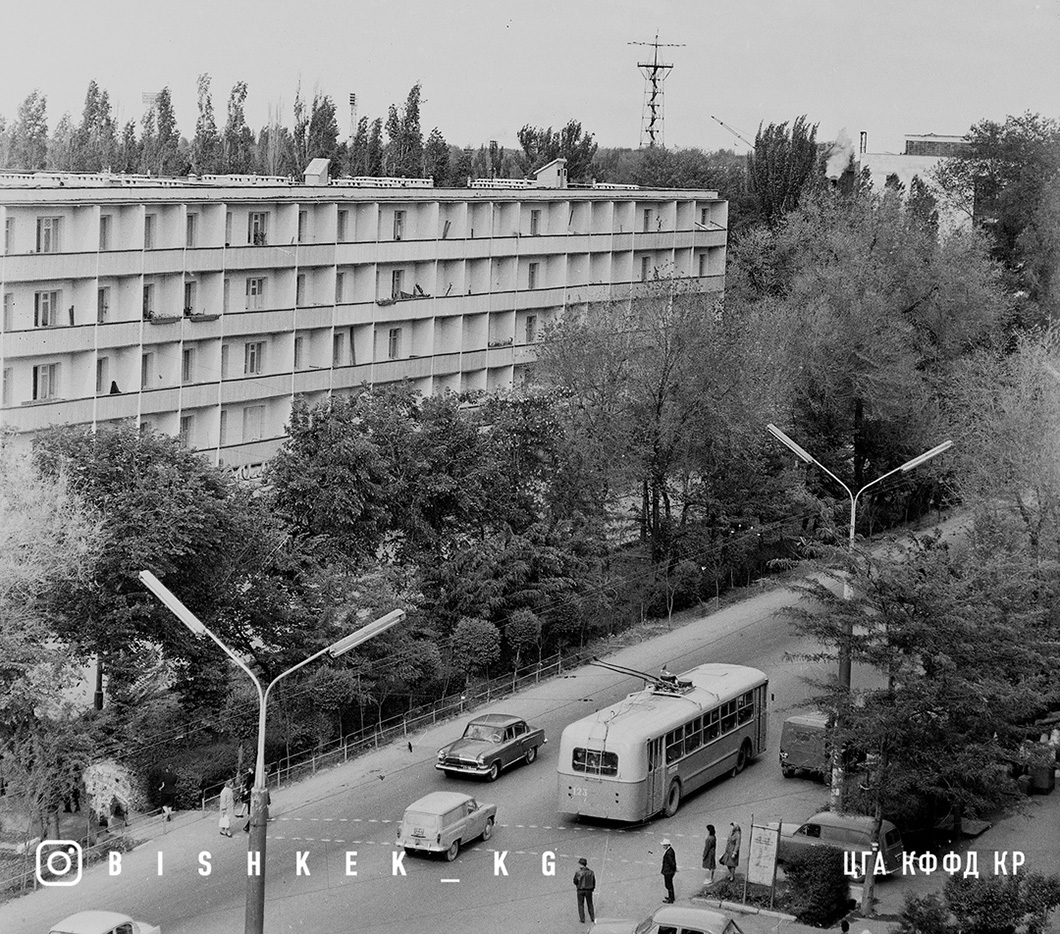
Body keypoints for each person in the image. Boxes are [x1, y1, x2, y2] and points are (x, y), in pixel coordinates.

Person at [573, 857, 596, 924]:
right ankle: (592, 917)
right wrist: (592, 888)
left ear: (581, 864)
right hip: (589, 890)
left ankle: (582, 919)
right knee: (590, 904)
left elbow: (575, 881)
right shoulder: (591, 872)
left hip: (580, 890)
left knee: (580, 904)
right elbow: (594, 881)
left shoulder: (578, 873)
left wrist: (578, 885)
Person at [661, 838, 677, 903]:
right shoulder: (670, 850)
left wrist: (673, 869)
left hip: (668, 871)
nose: (663, 846)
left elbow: (671, 863)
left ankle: (671, 899)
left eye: (663, 845)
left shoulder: (669, 853)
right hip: (669, 871)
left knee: (668, 885)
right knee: (669, 884)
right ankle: (671, 897)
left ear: (667, 845)